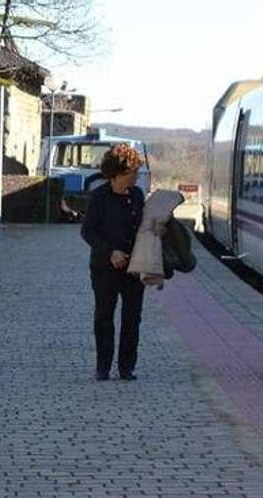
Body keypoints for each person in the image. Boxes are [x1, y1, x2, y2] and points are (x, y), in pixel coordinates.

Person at [80, 144, 146, 381]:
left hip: (134, 267)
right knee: (104, 315)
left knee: (132, 317)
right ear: (119, 173)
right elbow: (88, 231)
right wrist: (110, 252)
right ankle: (103, 366)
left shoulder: (137, 195)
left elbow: (143, 227)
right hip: (104, 268)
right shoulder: (99, 197)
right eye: (134, 172)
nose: (137, 176)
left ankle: (127, 367)